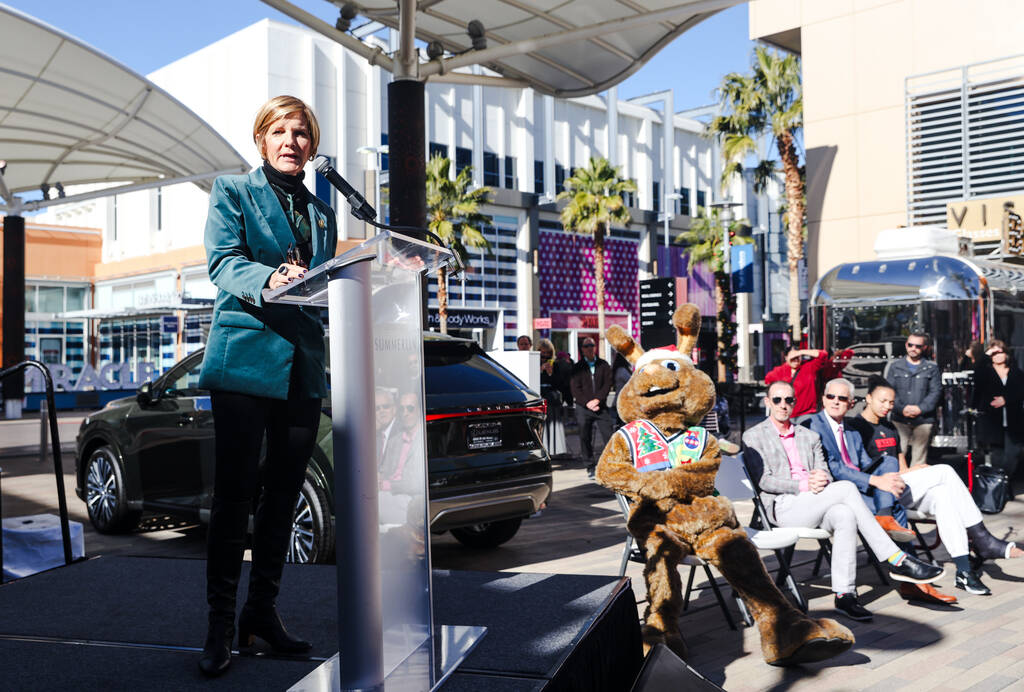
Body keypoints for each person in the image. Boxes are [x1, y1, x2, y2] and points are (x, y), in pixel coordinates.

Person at [196, 95, 337, 677]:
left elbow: (328, 280)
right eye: (278, 131)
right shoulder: (232, 192)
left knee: (283, 498)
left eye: (300, 132)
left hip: (302, 369)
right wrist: (271, 276)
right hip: (243, 364)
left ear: (312, 142)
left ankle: (261, 615)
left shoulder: (324, 211)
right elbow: (222, 262)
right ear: (261, 140)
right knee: (234, 498)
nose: (289, 141)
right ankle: (220, 626)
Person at [742, 381, 944, 622]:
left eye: (789, 400)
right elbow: (764, 481)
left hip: (814, 501)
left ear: (795, 403)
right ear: (767, 402)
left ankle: (845, 594)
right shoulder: (753, 435)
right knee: (847, 488)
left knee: (844, 514)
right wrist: (804, 484)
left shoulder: (809, 436)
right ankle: (896, 558)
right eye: (777, 400)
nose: (783, 405)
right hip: (782, 506)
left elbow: (825, 470)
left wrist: (820, 477)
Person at [839, 376, 1023, 596]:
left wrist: (914, 471)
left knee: (944, 495)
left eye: (890, 402)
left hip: (900, 487)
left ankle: (964, 571)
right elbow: (858, 468)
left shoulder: (890, 428)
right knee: (944, 471)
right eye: (882, 401)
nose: (887, 406)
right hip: (877, 494)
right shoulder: (855, 427)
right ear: (868, 398)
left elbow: (902, 467)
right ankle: (982, 539)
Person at [805, 379, 915, 543]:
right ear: (823, 399)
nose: (835, 401)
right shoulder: (813, 425)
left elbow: (865, 464)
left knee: (889, 462)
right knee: (894, 506)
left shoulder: (852, 431)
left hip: (858, 485)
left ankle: (901, 554)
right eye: (831, 396)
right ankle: (903, 561)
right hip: (835, 489)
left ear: (851, 403)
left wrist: (887, 480)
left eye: (842, 398)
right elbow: (834, 468)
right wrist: (875, 480)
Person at [972, 339, 1024, 487]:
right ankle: (1001, 488)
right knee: (997, 456)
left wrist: (1006, 399)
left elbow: (1021, 391)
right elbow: (977, 375)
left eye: (1001, 352)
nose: (998, 356)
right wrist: (986, 355)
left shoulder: (1016, 372)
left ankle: (1003, 481)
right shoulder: (985, 371)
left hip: (1013, 421)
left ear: (1007, 354)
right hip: (994, 422)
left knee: (1012, 455)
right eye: (994, 353)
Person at [884, 332, 941, 466]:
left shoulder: (931, 368)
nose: (913, 348)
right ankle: (897, 485)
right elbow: (889, 391)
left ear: (925, 347)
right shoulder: (895, 366)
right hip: (899, 418)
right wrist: (901, 408)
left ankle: (918, 486)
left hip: (923, 419)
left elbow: (936, 392)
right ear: (906, 345)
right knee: (898, 455)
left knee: (919, 459)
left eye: (918, 346)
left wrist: (920, 409)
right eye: (910, 345)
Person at [570, 337, 613, 479]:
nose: (589, 348)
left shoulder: (603, 364)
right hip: (584, 407)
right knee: (584, 436)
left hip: (600, 406)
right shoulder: (577, 367)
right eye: (586, 346)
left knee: (609, 435)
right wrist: (587, 402)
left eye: (591, 345)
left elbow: (608, 384)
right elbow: (575, 388)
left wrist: (598, 400)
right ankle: (590, 466)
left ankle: (610, 464)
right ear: (582, 349)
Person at [764, 348, 833, 419]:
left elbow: (823, 355)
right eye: (793, 357)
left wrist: (800, 352)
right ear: (786, 358)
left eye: (798, 357)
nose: (795, 359)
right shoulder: (779, 371)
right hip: (787, 414)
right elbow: (767, 380)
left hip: (807, 414)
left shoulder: (809, 367)